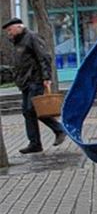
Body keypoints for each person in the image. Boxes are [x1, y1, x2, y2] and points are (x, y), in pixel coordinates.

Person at [3, 18, 66, 154]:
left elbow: (44, 57)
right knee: (27, 111)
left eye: (10, 30)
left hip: (35, 80)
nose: (8, 33)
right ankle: (35, 143)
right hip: (25, 82)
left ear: (18, 27)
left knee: (33, 109)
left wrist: (46, 77)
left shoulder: (31, 37)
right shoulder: (17, 41)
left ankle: (59, 129)